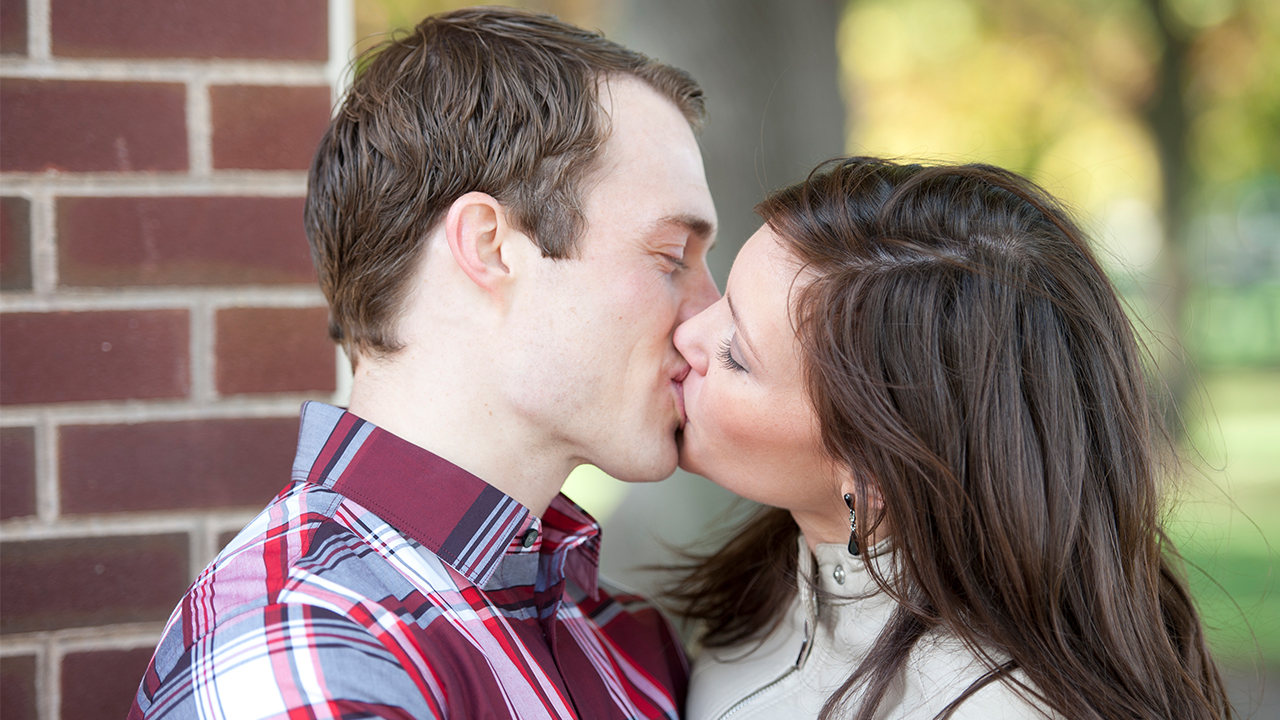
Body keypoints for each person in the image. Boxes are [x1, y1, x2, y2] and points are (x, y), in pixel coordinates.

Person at [129, 7, 718, 719]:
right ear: (491, 246)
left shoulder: (627, 639)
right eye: (671, 258)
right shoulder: (305, 651)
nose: (711, 318)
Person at [669, 157, 1232, 720]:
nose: (687, 332)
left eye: (736, 356)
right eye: (723, 304)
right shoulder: (761, 599)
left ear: (870, 475)